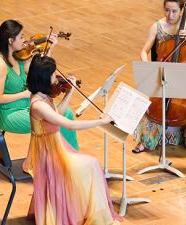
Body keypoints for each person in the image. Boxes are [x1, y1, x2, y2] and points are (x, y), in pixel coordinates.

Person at [24, 54, 122, 225]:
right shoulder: (38, 104)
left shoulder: (43, 96)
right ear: (44, 77)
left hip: (55, 148)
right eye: (53, 74)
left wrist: (70, 92)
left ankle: (83, 211)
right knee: (92, 164)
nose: (56, 78)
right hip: (49, 156)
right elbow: (70, 125)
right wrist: (101, 121)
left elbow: (57, 114)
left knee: (90, 165)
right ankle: (93, 216)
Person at [0, 19, 79, 150]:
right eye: (21, 37)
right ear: (10, 41)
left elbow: (39, 73)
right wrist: (24, 94)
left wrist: (49, 49)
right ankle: (53, 159)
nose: (25, 40)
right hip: (8, 113)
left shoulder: (20, 57)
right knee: (52, 118)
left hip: (27, 106)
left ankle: (69, 157)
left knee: (67, 113)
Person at [133, 0, 186, 153]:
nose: (170, 15)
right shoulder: (157, 26)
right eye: (167, 10)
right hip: (163, 73)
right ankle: (147, 138)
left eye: (174, 11)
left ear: (181, 10)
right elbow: (144, 51)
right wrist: (148, 64)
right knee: (149, 100)